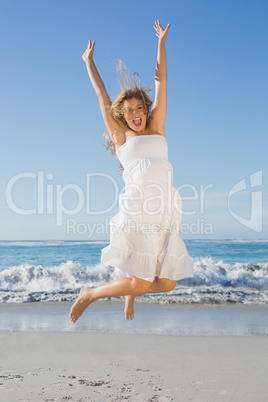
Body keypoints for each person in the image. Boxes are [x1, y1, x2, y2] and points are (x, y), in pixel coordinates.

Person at [70, 20, 194, 324]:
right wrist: (89, 62)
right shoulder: (121, 138)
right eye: (129, 111)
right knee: (140, 280)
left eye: (140, 108)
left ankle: (129, 292)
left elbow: (162, 81)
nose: (136, 114)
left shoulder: (158, 127)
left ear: (146, 109)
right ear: (122, 116)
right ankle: (90, 293)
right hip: (139, 209)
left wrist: (160, 45)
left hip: (163, 209)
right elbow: (102, 98)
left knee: (167, 282)